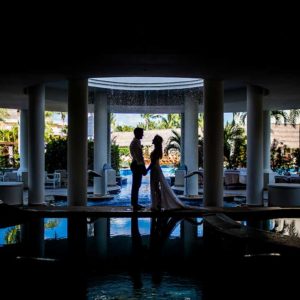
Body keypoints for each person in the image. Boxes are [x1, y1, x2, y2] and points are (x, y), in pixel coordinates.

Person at [146, 135, 186, 211]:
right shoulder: (157, 150)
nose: (152, 139)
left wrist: (146, 170)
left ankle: (158, 204)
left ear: (156, 141)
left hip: (155, 170)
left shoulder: (156, 151)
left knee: (155, 187)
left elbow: (153, 163)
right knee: (156, 187)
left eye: (154, 139)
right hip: (156, 169)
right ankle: (158, 203)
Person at [130, 127, 147, 210]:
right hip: (137, 165)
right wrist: (143, 167)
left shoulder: (137, 142)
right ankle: (134, 204)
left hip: (136, 164)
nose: (143, 135)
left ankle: (135, 203)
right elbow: (138, 158)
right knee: (136, 185)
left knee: (137, 185)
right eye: (141, 133)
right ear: (137, 133)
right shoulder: (135, 143)